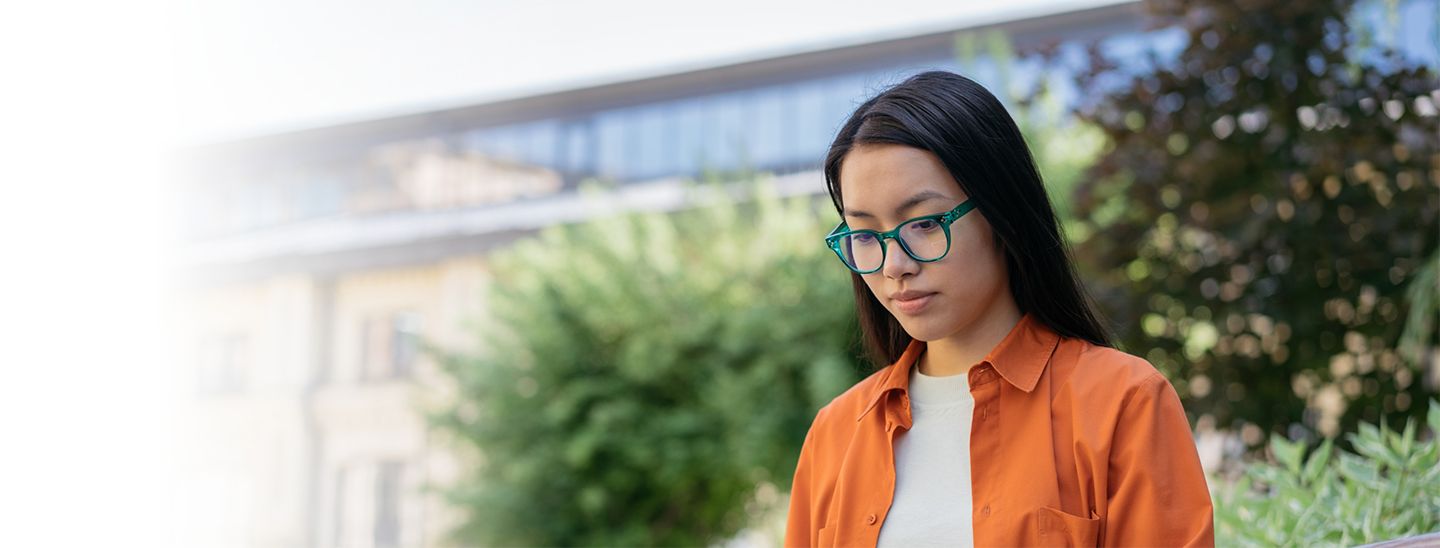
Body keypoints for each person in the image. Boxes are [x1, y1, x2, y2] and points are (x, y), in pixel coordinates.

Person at [783, 71, 1214, 547]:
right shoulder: (835, 435)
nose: (895, 265)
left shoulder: (1122, 403)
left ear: (1001, 212)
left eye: (924, 224)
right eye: (865, 235)